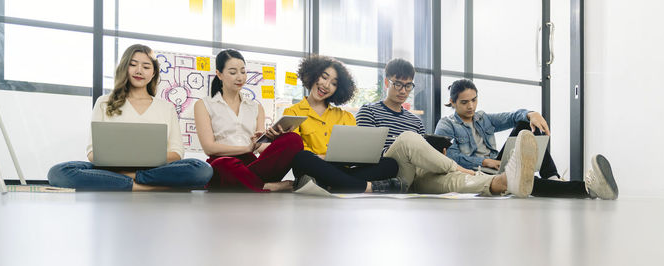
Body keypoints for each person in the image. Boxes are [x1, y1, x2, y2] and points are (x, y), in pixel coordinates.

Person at [357, 58, 535, 197]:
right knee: (407, 139)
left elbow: (422, 152)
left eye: (408, 85)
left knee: (451, 180)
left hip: (416, 178)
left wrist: (434, 156)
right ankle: (462, 169)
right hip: (392, 173)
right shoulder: (368, 111)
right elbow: (366, 155)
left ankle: (502, 183)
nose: (403, 90)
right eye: (398, 84)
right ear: (387, 83)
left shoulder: (415, 121)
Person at [48, 44, 213, 191]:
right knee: (58, 172)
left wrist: (143, 164)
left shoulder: (166, 107)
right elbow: (92, 152)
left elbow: (177, 153)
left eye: (146, 66)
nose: (139, 71)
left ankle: (129, 180)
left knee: (201, 169)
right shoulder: (104, 101)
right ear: (124, 68)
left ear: (153, 72)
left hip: (156, 170)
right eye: (133, 65)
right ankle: (144, 186)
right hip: (111, 170)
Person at [435, 78, 619, 199]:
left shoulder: (483, 118)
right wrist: (486, 161)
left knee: (525, 125)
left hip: (497, 165)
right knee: (528, 183)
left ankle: (553, 177)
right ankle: (588, 189)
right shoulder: (446, 125)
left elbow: (513, 116)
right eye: (464, 102)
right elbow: (451, 158)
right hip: (477, 172)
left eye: (474, 100)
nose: (471, 106)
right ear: (452, 102)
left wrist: (532, 114)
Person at [286, 55, 401, 193]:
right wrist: (324, 158)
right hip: (313, 167)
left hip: (339, 169)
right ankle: (367, 187)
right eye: (324, 77)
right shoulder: (293, 112)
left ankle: (329, 184)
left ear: (338, 89)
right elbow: (296, 151)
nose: (326, 85)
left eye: (334, 83)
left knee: (390, 164)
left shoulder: (345, 116)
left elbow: (355, 153)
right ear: (313, 74)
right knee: (301, 158)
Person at [194, 49, 303, 192]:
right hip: (223, 163)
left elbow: (260, 147)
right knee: (224, 164)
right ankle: (264, 186)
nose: (240, 77)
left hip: (252, 165)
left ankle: (248, 183)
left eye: (243, 71)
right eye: (233, 72)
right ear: (219, 74)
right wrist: (246, 148)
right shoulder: (204, 105)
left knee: (293, 139)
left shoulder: (256, 107)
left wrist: (273, 139)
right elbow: (209, 148)